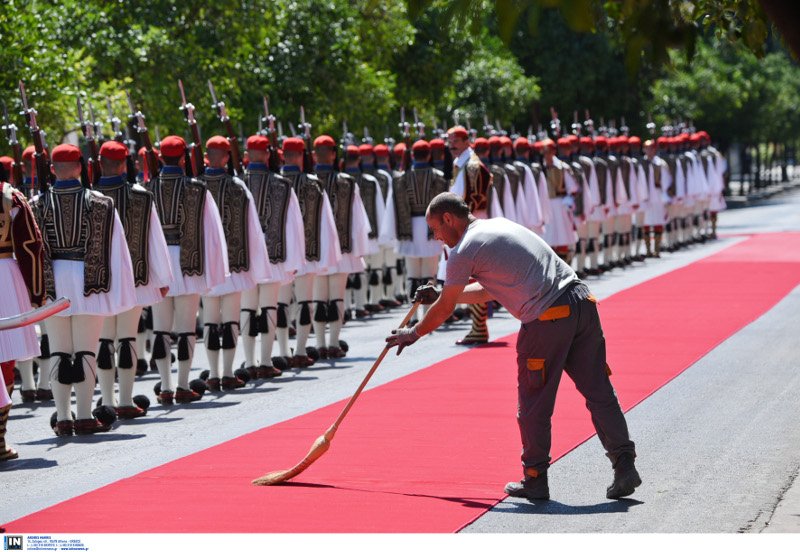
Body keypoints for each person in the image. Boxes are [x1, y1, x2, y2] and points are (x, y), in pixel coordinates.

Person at [386, 192, 641, 501]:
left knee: (534, 404)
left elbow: (445, 309)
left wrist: (413, 333)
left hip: (546, 317)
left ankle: (535, 478)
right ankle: (625, 464)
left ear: (449, 219)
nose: (436, 237)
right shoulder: (498, 225)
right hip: (581, 302)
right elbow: (486, 290)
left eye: (435, 228)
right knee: (599, 391)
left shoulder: (464, 249)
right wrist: (441, 293)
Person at [29, 144, 137, 435]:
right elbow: (118, 251)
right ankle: (85, 415)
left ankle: (64, 418)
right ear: (81, 166)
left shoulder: (35, 204)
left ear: (52, 169)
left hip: (52, 283)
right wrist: (120, 291)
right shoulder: (102, 203)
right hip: (90, 281)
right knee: (86, 350)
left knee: (60, 352)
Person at [94, 140, 172, 418]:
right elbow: (154, 240)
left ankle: (106, 400)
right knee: (126, 338)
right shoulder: (141, 195)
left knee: (104, 340)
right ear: (125, 163)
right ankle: (125, 401)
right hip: (136, 278)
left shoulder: (90, 196)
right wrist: (162, 277)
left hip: (97, 280)